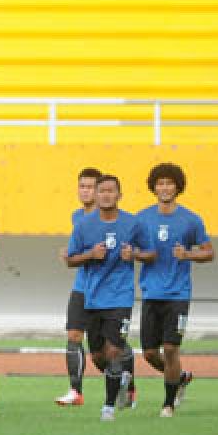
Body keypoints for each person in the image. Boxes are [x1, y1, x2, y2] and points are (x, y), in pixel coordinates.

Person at [66, 174, 155, 422]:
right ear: (96, 195)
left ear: (119, 195)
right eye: (101, 190)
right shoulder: (84, 225)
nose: (105, 195)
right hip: (92, 298)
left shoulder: (133, 223)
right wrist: (90, 255)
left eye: (110, 191)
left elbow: (151, 254)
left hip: (120, 297)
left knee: (114, 350)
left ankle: (108, 407)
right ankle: (121, 379)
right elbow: (70, 259)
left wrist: (135, 254)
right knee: (99, 356)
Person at [137, 163, 214, 417]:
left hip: (178, 294)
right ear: (153, 187)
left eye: (170, 183)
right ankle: (179, 378)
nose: (165, 188)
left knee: (170, 349)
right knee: (149, 353)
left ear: (178, 187)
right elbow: (131, 248)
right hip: (150, 293)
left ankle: (168, 404)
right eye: (160, 183)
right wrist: (133, 254)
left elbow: (209, 252)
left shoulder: (191, 219)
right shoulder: (142, 217)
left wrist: (188, 254)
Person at [56, 167, 101, 406]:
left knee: (103, 352)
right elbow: (82, 250)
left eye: (91, 187)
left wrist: (77, 256)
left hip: (106, 289)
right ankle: (76, 391)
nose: (85, 191)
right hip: (82, 286)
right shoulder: (77, 216)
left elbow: (99, 254)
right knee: (73, 335)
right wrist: (70, 253)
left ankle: (128, 384)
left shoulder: (108, 218)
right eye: (82, 186)